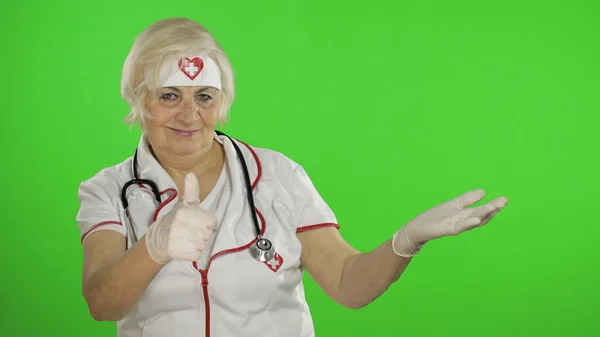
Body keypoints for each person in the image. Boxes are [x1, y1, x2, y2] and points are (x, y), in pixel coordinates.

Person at [75, 17, 509, 337]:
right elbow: (101, 301)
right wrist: (154, 245)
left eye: (204, 96)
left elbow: (347, 283)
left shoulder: (278, 175)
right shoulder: (109, 190)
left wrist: (405, 242)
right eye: (169, 95)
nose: (189, 114)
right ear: (139, 100)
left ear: (222, 101)